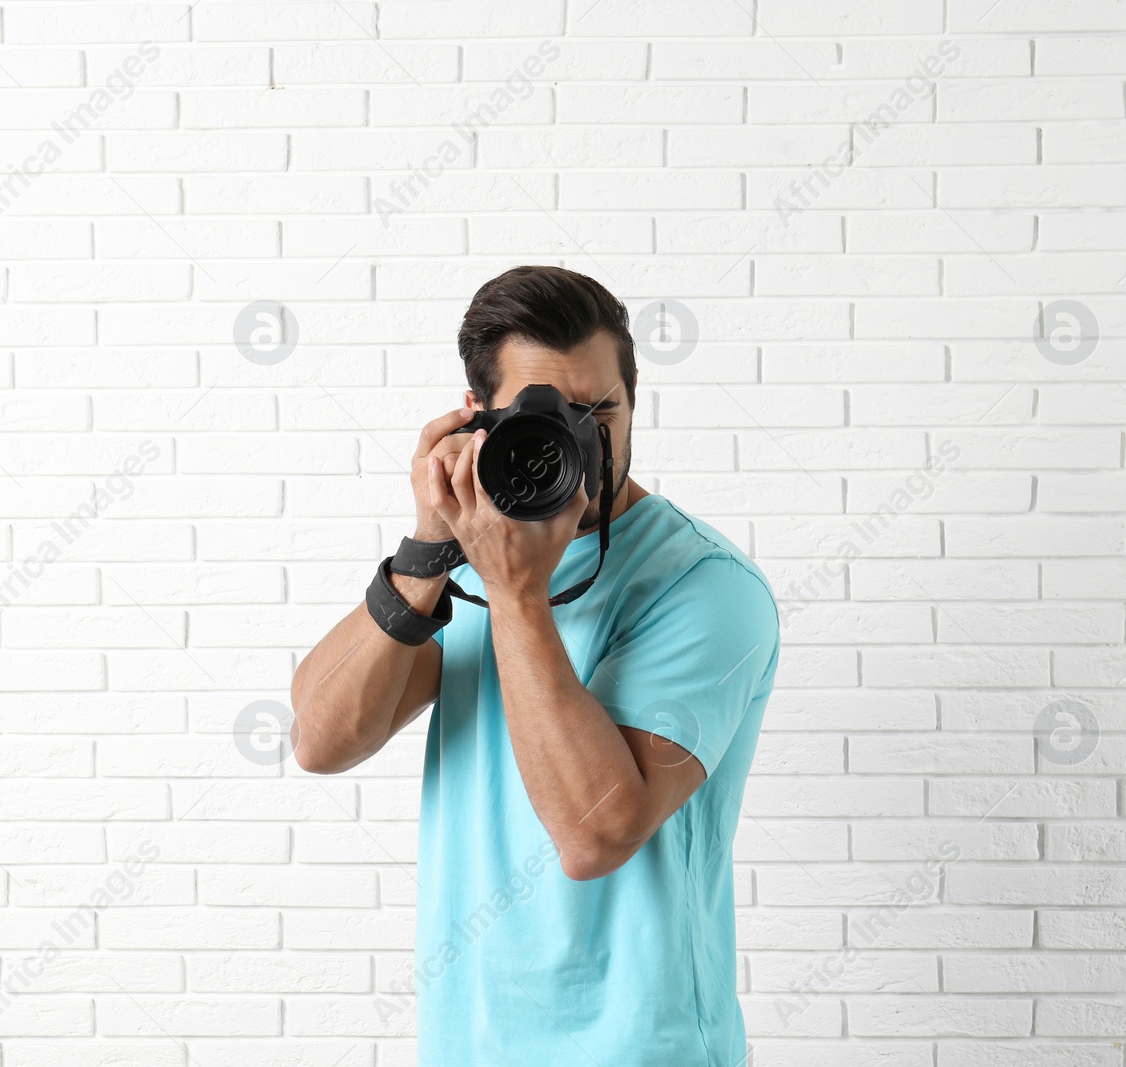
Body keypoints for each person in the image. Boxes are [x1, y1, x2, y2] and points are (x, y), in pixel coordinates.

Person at [289, 264, 781, 1067]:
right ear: (477, 417)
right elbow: (320, 738)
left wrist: (519, 592)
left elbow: (595, 836)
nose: (583, 441)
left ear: (633, 402)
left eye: (602, 412)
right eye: (548, 416)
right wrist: (427, 549)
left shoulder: (707, 587)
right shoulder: (473, 562)